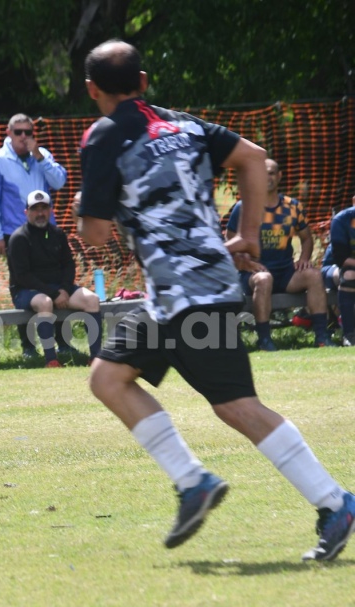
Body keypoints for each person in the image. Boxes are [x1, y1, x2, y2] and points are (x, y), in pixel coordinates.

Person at [76, 39, 354, 561]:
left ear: (92, 90)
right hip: (178, 296)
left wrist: (88, 204)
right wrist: (247, 232)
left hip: (194, 297)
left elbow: (93, 234)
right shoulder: (183, 124)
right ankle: (192, 482)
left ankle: (335, 501)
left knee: (237, 406)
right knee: (107, 377)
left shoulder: (104, 137)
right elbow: (253, 159)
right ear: (142, 83)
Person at [0, 113, 70, 358]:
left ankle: (62, 343)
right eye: (18, 132)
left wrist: (40, 157)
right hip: (15, 236)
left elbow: (60, 182)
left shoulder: (43, 156)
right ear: (8, 133)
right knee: (26, 288)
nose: (23, 137)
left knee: (53, 286)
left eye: (28, 132)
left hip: (46, 233)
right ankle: (28, 347)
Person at [225, 159, 334, 350]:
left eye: (272, 173)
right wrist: (247, 263)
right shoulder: (244, 207)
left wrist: (304, 259)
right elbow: (230, 244)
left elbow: (306, 238)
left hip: (286, 273)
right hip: (252, 275)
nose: (267, 177)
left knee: (314, 276)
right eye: (263, 173)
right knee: (264, 279)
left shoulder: (292, 206)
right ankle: (265, 340)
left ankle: (322, 337)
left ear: (279, 176)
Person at [7, 189, 103, 368]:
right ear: (26, 212)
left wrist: (64, 290)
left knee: (92, 299)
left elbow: (68, 265)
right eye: (35, 209)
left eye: (44, 208)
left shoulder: (58, 233)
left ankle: (96, 358)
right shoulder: (18, 238)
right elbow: (23, 276)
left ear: (51, 210)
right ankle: (51, 360)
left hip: (59, 289)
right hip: (26, 291)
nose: (40, 213)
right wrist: (53, 293)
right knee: (45, 303)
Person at [321, 194, 355, 346]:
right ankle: (349, 335)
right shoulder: (341, 220)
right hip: (332, 268)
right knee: (349, 275)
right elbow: (342, 259)